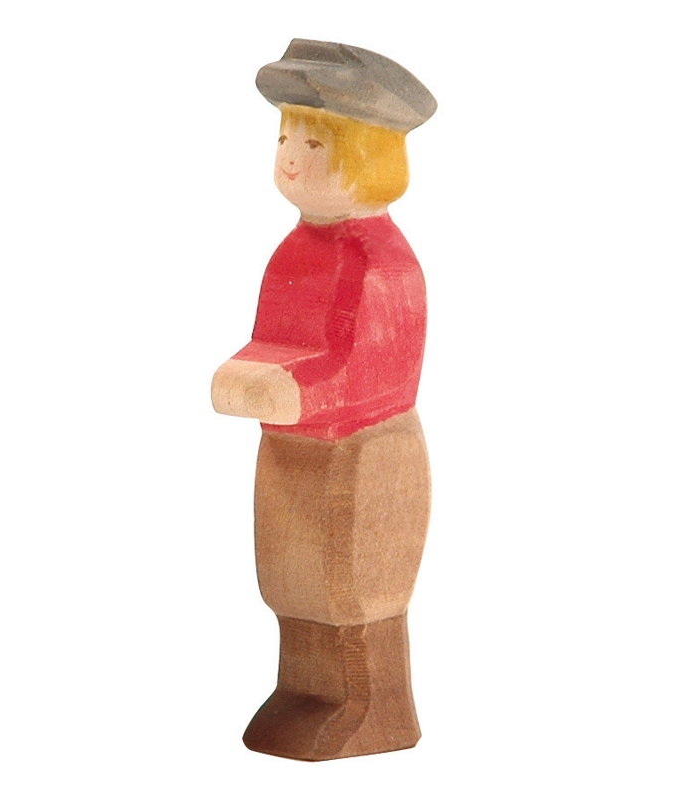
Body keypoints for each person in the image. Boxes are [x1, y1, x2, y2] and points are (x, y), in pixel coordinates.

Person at [212, 39, 436, 760]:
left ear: (370, 155)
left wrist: (285, 389)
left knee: (354, 592)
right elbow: (270, 341)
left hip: (365, 453)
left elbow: (370, 372)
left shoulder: (383, 263)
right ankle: (303, 691)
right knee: (293, 585)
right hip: (293, 450)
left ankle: (368, 705)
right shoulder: (293, 250)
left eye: (314, 143)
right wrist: (247, 376)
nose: (290, 157)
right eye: (285, 138)